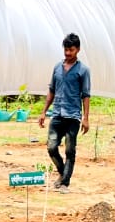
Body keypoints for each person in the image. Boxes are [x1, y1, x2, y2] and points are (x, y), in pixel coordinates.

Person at [38, 33, 90, 189]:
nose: (68, 53)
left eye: (71, 50)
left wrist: (86, 118)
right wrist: (43, 112)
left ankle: (65, 183)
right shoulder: (57, 68)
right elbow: (51, 91)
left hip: (73, 116)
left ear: (78, 50)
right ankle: (62, 173)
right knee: (51, 147)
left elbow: (86, 95)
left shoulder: (83, 70)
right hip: (57, 114)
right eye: (66, 49)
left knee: (69, 150)